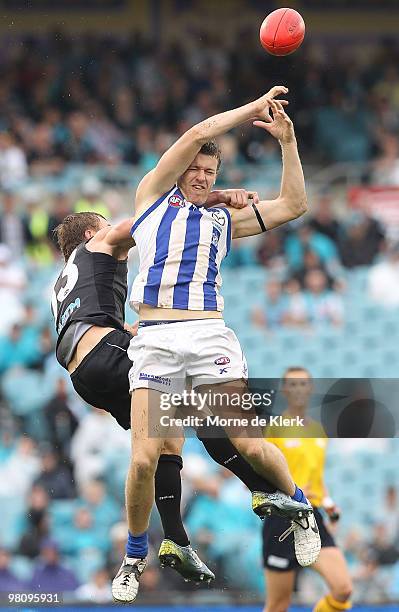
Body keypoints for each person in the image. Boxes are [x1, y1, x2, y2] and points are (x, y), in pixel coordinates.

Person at [115, 87, 320, 602]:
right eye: (196, 171)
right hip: (156, 339)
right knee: (142, 460)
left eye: (211, 173)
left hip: (208, 336)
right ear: (179, 171)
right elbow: (199, 133)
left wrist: (288, 143)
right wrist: (252, 110)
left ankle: (300, 507)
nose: (203, 178)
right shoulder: (149, 199)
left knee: (247, 444)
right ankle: (135, 556)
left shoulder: (222, 220)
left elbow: (295, 204)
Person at [52, 192, 277, 585]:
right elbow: (150, 221)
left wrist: (126, 332)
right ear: (90, 232)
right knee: (201, 403)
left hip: (84, 375)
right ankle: (262, 487)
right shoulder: (97, 243)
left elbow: (85, 320)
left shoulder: (63, 280)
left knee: (167, 439)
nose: (112, 230)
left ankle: (174, 538)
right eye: (105, 224)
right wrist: (214, 200)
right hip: (106, 353)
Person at [262, 367, 353, 612]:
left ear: (310, 388)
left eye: (303, 384)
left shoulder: (318, 431)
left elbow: (316, 478)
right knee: (278, 604)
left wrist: (329, 505)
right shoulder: (275, 428)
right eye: (292, 384)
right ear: (284, 390)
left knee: (343, 589)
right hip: (282, 518)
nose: (298, 389)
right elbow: (260, 472)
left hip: (312, 516)